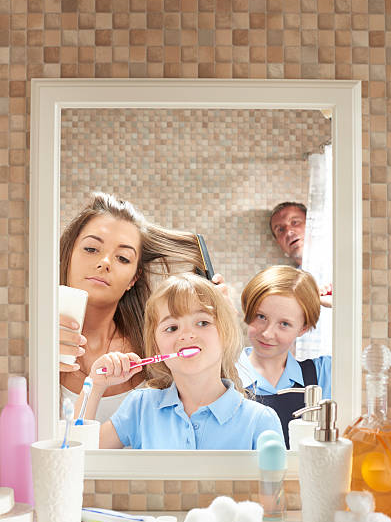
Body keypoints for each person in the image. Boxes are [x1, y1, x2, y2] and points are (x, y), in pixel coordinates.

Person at [60, 192, 224, 423]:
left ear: (133, 278)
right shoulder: (34, 342)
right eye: (91, 249)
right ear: (68, 254)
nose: (105, 262)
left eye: (123, 258)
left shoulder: (157, 347)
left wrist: (219, 321)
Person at [83, 273, 283, 449]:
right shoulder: (141, 407)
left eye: (202, 323)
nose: (187, 335)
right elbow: (75, 457)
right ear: (156, 345)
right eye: (172, 328)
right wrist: (95, 385)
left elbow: (277, 489)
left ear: (226, 333)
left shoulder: (259, 421)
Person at [236, 265, 331, 448]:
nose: (268, 334)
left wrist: (343, 306)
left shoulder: (322, 374)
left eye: (284, 324)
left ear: (303, 328)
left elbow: (378, 358)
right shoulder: (222, 374)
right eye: (260, 316)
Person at [269, 202, 307, 268]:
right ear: (279, 244)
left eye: (294, 222)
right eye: (280, 230)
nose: (288, 231)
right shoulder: (294, 278)